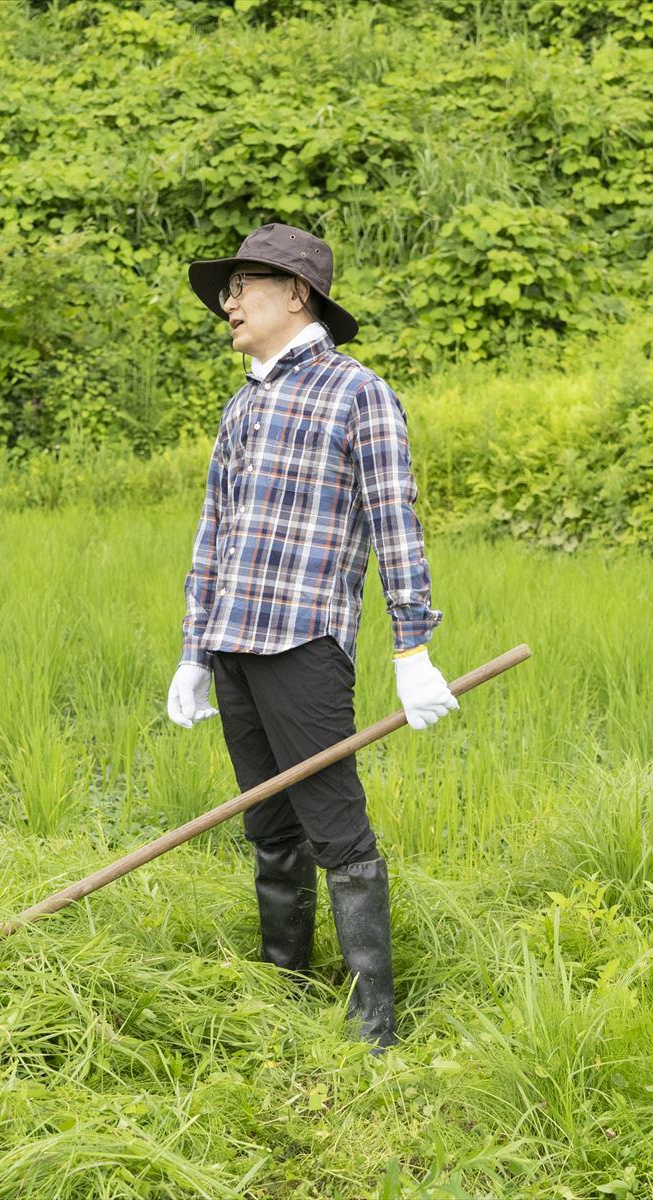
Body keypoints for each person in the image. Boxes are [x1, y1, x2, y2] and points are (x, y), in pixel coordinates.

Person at [165, 222, 457, 1051]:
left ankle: (374, 1029)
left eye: (243, 285)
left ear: (296, 294)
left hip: (302, 643)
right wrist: (193, 651)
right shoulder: (243, 403)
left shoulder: (356, 392)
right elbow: (212, 533)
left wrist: (413, 649)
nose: (228, 303)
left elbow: (395, 524)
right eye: (226, 291)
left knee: (336, 828)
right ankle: (284, 990)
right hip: (232, 645)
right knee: (268, 826)